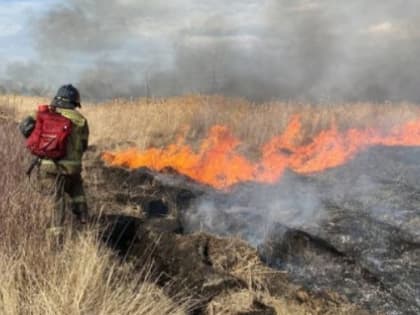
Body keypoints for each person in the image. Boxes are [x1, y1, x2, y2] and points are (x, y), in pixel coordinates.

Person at [20, 84, 89, 229]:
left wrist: (39, 140)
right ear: (74, 102)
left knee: (56, 202)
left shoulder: (42, 113)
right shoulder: (80, 120)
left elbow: (24, 127)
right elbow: (83, 146)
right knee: (77, 189)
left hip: (48, 167)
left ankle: (56, 240)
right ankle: (84, 218)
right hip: (72, 169)